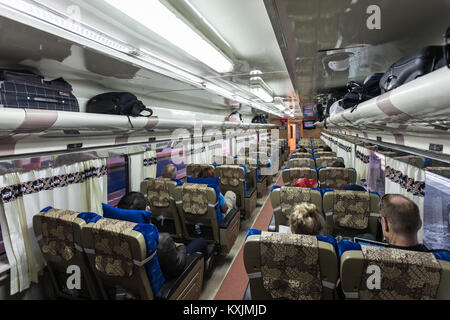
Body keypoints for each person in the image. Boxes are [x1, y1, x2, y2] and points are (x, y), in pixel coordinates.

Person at [117, 192, 208, 279]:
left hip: (136, 279)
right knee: (201, 242)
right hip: (167, 280)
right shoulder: (162, 240)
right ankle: (204, 273)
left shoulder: (114, 236)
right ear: (147, 209)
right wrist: (181, 247)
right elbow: (176, 268)